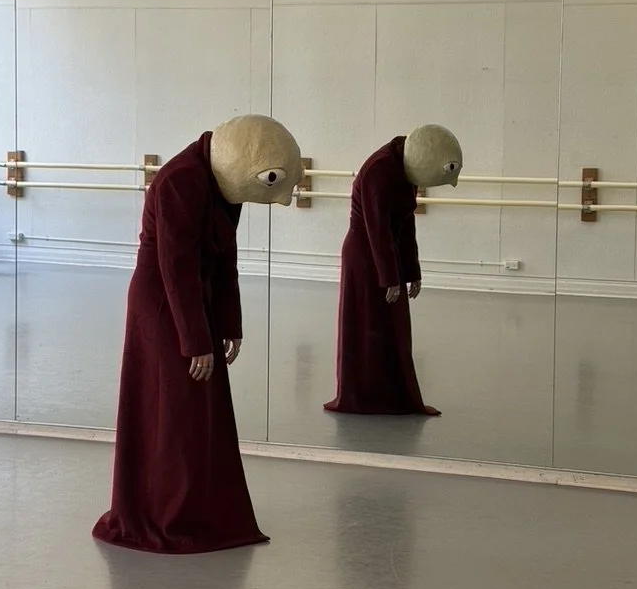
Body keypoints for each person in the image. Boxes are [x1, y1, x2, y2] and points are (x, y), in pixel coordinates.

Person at [93, 115, 302, 554]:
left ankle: (197, 503)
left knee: (199, 411)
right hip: (163, 305)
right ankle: (166, 509)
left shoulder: (226, 176)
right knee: (174, 407)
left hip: (193, 299)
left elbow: (225, 257)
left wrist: (229, 323)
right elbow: (176, 268)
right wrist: (195, 340)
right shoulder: (180, 181)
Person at [324, 124, 463, 417]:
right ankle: (362, 397)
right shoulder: (380, 168)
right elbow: (377, 229)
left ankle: (394, 396)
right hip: (365, 256)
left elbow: (404, 224)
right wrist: (389, 276)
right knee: (367, 326)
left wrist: (411, 272)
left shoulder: (406, 167)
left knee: (393, 328)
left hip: (385, 254)